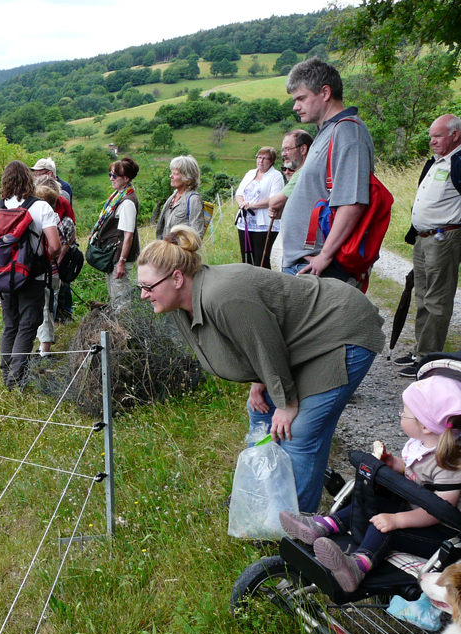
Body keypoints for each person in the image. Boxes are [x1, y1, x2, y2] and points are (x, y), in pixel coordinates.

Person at [136, 225, 384, 513]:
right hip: (303, 343)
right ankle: (257, 500)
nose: (143, 295)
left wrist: (287, 402)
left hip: (339, 330)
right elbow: (252, 343)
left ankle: (292, 528)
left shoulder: (224, 296)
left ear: (177, 278)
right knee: (261, 411)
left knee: (300, 431)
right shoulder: (181, 305)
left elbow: (266, 346)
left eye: (148, 287)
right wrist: (261, 380)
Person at [279, 376, 461, 593]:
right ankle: (322, 525)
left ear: (426, 426)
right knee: (372, 503)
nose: (401, 414)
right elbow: (418, 476)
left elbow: (440, 511)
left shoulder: (452, 463)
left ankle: (358, 566)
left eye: (404, 413)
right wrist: (395, 464)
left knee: (384, 525)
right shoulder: (422, 445)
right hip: (417, 510)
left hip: (442, 533)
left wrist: (397, 520)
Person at [279, 57, 374, 284]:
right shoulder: (327, 131)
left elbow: (353, 202)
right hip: (306, 263)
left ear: (325, 92)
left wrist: (325, 256)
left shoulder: (348, 132)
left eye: (301, 98)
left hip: (321, 268)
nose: (295, 106)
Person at [397, 114, 461, 378]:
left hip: (443, 239)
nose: (432, 141)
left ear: (455, 135)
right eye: (431, 135)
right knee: (422, 297)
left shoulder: (459, 162)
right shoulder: (436, 162)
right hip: (424, 239)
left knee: (437, 300)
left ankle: (428, 360)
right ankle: (421, 352)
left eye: (438, 135)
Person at [0, 161, 60, 388]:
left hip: (4, 277)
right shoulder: (41, 207)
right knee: (28, 325)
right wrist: (43, 260)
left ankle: (5, 377)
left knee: (10, 325)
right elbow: (55, 245)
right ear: (29, 181)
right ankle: (15, 382)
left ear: (5, 182)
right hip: (32, 276)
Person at [88, 157, 140, 311]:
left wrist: (122, 261)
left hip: (119, 257)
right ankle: (119, 330)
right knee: (115, 298)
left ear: (126, 178)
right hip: (114, 256)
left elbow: (128, 235)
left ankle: (125, 331)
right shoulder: (118, 197)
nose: (111, 178)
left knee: (121, 301)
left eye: (115, 176)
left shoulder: (127, 202)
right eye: (110, 174)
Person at [32, 178, 76, 356]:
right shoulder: (58, 219)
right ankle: (43, 346)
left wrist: (42, 261)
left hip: (46, 271)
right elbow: (67, 239)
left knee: (45, 309)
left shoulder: (48, 220)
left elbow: (54, 247)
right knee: (48, 307)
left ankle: (45, 351)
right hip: (53, 272)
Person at [234, 147, 284, 267]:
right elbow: (239, 192)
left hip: (264, 224)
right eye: (259, 157)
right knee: (246, 258)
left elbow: (274, 199)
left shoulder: (276, 176)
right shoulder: (250, 173)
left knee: (261, 259)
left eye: (265, 158)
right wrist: (242, 204)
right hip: (245, 221)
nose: (261, 161)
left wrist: (252, 205)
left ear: (271, 161)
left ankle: (264, 284)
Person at [268, 129, 313, 221]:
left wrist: (275, 206)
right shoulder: (312, 169)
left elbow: (274, 203)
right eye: (283, 150)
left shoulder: (303, 173)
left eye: (288, 149)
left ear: (303, 149)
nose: (284, 154)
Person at [156, 155, 204, 240]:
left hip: (180, 252)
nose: (171, 176)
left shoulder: (193, 199)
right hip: (166, 250)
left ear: (187, 177)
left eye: (175, 173)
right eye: (172, 172)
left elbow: (196, 235)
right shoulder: (173, 196)